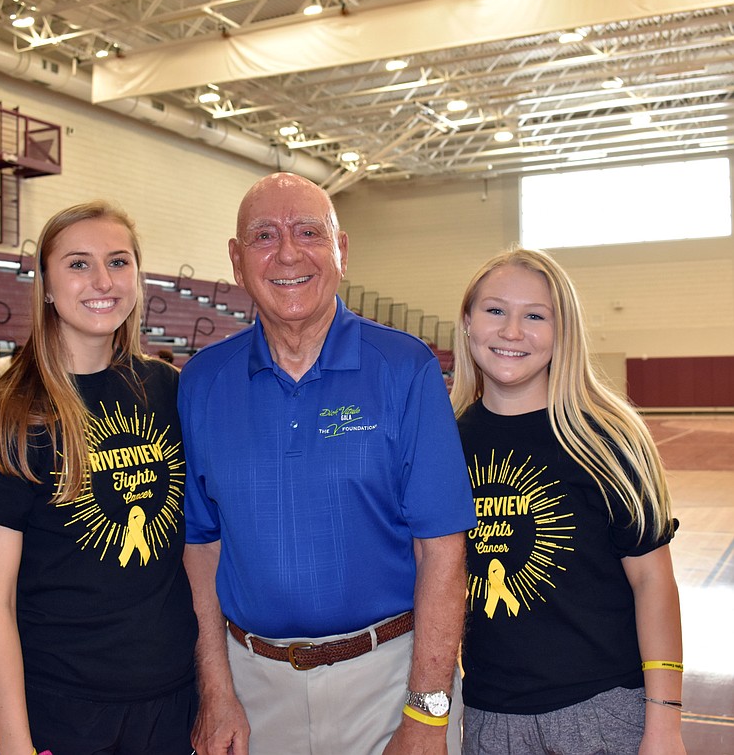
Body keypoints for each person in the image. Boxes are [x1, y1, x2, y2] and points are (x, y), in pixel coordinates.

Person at [179, 172, 476, 755]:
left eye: (309, 232)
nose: (288, 253)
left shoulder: (405, 367)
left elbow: (442, 550)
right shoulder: (202, 382)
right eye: (264, 236)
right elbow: (201, 547)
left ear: (341, 250)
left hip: (389, 685)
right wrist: (215, 689)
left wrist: (427, 711)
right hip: (252, 693)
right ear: (237, 261)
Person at [0, 200, 198, 755]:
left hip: (171, 701)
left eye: (119, 261)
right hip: (60, 711)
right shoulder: (11, 412)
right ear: (46, 285)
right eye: (79, 264)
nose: (102, 281)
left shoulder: (168, 390)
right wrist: (16, 747)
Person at [450, 249, 684, 755]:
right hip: (490, 715)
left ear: (563, 332)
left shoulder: (606, 438)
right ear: (467, 321)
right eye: (495, 310)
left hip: (603, 711)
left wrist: (665, 723)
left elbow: (653, 582)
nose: (512, 331)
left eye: (535, 316)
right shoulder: (443, 443)